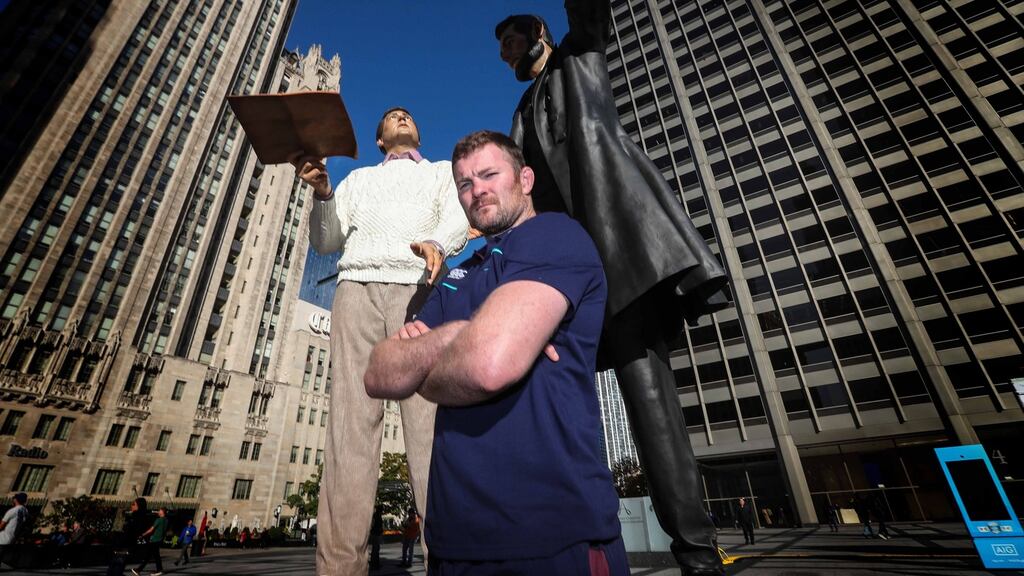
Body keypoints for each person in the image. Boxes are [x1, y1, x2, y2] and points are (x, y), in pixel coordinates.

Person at [492, 6, 728, 575]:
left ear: (540, 32)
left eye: (512, 39)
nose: (506, 53)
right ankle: (577, 547)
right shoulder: (520, 113)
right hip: (563, 279)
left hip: (619, 258)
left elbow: (590, 11)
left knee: (651, 407)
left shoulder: (580, 56)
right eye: (501, 48)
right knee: (548, 402)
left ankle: (697, 555)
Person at [365, 131, 627, 575]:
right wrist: (464, 335)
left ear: (525, 180)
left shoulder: (554, 234)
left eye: (489, 175)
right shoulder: (458, 276)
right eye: (465, 183)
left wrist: (426, 363)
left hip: (554, 535)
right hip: (452, 543)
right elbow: (379, 373)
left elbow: (489, 366)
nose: (477, 190)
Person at [292, 106, 470, 575]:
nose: (401, 116)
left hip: (420, 290)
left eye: (407, 115)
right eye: (392, 116)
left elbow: (456, 218)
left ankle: (448, 562)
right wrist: (323, 193)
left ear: (418, 133)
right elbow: (326, 241)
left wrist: (438, 244)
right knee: (349, 428)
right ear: (379, 140)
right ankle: (338, 568)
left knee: (430, 430)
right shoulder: (358, 180)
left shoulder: (439, 173)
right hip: (356, 290)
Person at [132, 506, 167, 576]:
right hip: (159, 540)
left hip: (155, 540)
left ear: (162, 512)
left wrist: (142, 535)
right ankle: (158, 570)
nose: (158, 512)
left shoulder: (158, 520)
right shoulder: (166, 520)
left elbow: (151, 530)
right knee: (153, 556)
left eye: (159, 510)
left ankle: (140, 570)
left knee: (151, 556)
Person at [0, 492, 29, 569]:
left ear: (16, 500)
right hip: (13, 538)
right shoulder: (25, 511)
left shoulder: (13, 510)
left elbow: (2, 525)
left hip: (3, 538)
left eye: (14, 498)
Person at [368, 507, 383, 571]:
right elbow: (374, 525)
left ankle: (373, 563)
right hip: (376, 534)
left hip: (374, 533)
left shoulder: (374, 516)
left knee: (374, 549)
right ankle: (375, 564)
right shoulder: (377, 516)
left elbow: (372, 524)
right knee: (376, 549)